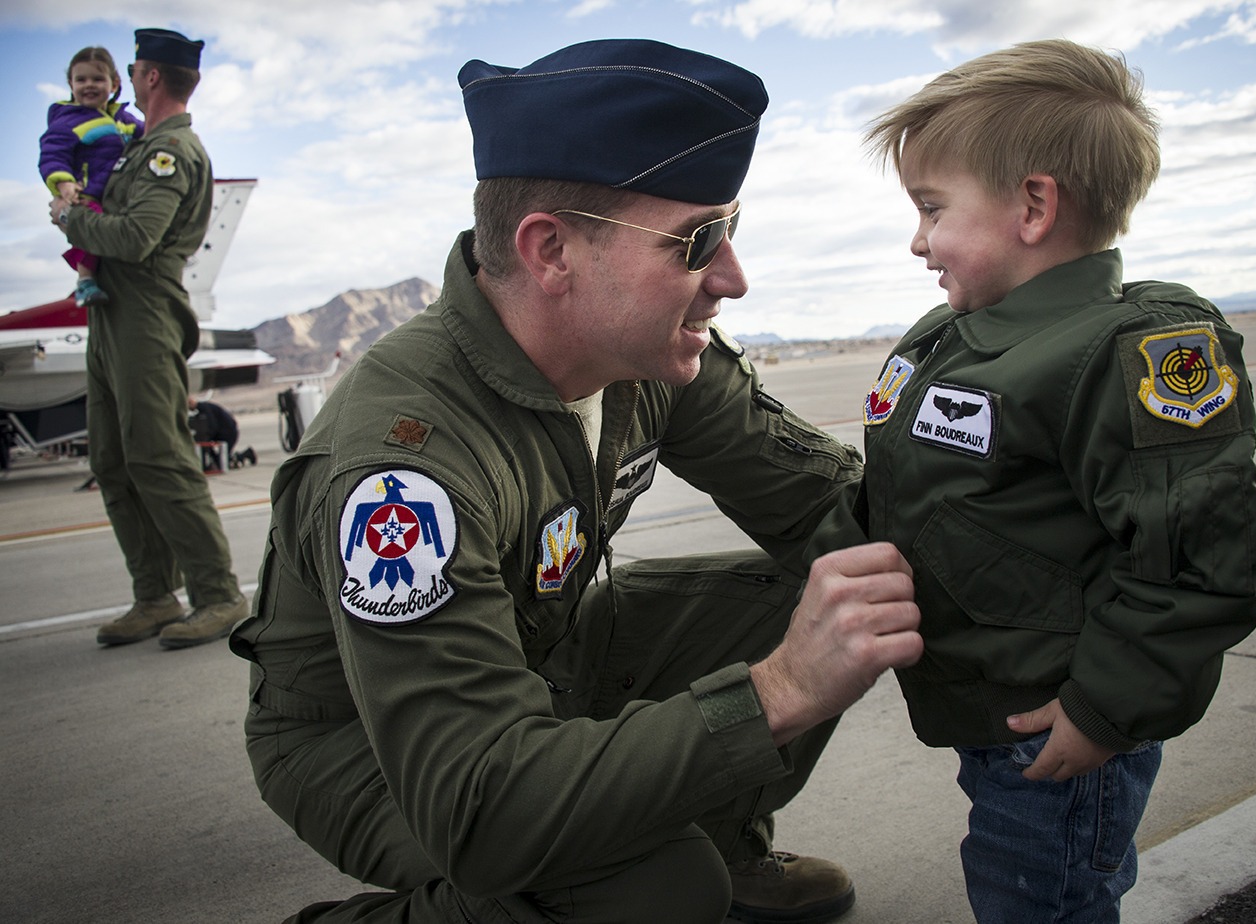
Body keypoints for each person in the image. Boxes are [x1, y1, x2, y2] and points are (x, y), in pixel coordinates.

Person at [230, 38, 923, 924]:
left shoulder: (646, 356)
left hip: (542, 660)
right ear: (551, 250)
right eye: (696, 241)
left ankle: (719, 838)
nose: (732, 279)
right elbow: (482, 805)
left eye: (732, 231)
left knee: (846, 578)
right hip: (369, 739)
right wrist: (780, 689)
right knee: (654, 892)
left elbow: (837, 513)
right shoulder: (406, 467)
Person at [849, 39, 1256, 921]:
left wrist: (1101, 711)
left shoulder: (1133, 351)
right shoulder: (949, 336)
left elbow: (1196, 562)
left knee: (1039, 903)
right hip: (990, 712)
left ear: (1033, 205)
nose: (917, 239)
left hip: (1060, 730)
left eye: (932, 208)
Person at [49, 28, 248, 650]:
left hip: (145, 311)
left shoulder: (170, 153)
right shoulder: (136, 147)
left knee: (159, 457)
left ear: (149, 78)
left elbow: (135, 238)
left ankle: (218, 595)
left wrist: (70, 217)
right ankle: (155, 596)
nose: (125, 80)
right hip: (109, 314)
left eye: (132, 71)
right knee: (112, 461)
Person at [39, 45, 144, 308]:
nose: (89, 85)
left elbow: (149, 134)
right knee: (91, 227)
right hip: (85, 192)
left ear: (114, 83)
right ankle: (85, 281)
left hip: (117, 194)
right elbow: (53, 153)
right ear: (70, 84)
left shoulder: (123, 119)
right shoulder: (68, 120)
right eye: (81, 79)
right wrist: (63, 182)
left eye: (97, 79)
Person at [187, 396, 256, 470]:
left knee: (223, 460)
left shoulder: (205, 409)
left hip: (229, 433)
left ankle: (246, 454)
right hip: (226, 432)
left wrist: (208, 438)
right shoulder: (203, 409)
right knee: (220, 458)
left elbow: (212, 426)